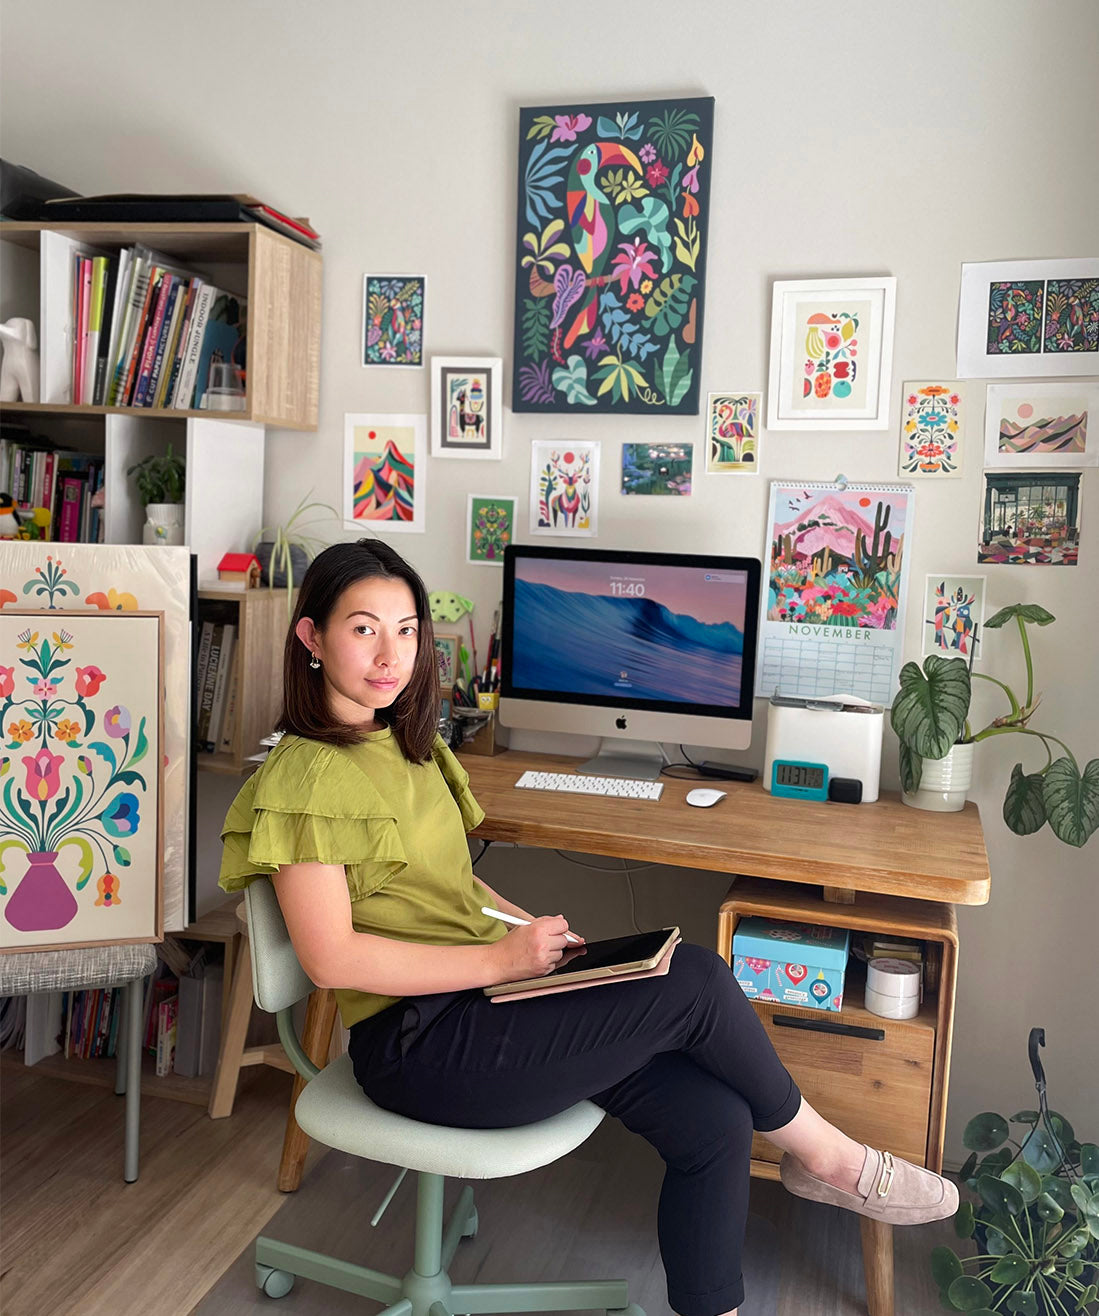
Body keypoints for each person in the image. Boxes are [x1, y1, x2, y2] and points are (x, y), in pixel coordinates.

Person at [219, 538, 959, 1316]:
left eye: (406, 630)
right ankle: (835, 1161)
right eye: (364, 628)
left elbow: (448, 881)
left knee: (716, 1119)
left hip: (483, 1004)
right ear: (311, 637)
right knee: (698, 979)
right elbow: (332, 960)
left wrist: (522, 930)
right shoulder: (304, 776)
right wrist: (502, 964)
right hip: (419, 1047)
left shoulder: (404, 742)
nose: (390, 654)